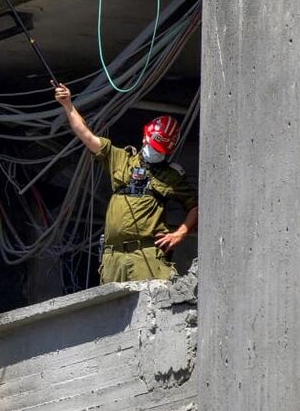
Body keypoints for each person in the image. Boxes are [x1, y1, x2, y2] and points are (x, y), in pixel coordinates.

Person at [53, 82, 198, 283]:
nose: (154, 150)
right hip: (113, 257)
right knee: (109, 310)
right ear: (145, 138)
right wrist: (68, 105)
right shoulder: (121, 159)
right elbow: (87, 136)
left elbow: (195, 207)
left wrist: (180, 234)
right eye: (152, 144)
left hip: (145, 255)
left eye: (160, 149)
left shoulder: (171, 176)